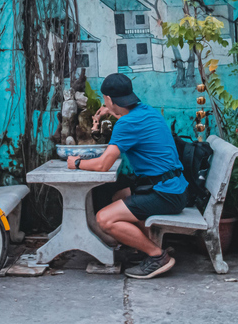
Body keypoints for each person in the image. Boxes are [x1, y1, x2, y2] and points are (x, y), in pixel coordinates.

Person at [67, 73, 188, 279]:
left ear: (108, 99)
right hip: (175, 187)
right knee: (118, 197)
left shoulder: (127, 124)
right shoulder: (147, 112)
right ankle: (150, 245)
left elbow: (104, 164)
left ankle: (157, 256)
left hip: (165, 194)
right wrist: (114, 113)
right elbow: (131, 123)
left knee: (104, 219)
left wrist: (76, 162)